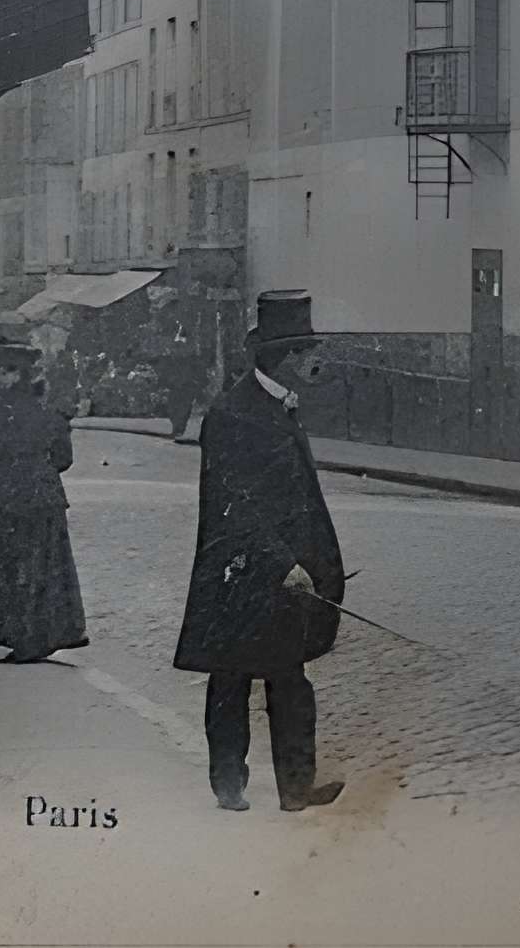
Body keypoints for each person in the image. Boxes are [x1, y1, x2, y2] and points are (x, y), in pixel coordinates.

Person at [175, 290, 347, 813]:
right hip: (243, 571)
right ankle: (229, 785)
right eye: (306, 352)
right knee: (231, 678)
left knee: (290, 679)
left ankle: (297, 789)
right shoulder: (233, 414)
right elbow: (234, 504)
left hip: (287, 575)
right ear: (286, 357)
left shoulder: (279, 407)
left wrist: (313, 564)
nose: (314, 361)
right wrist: (281, 563)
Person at [0, 338, 87, 664]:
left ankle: (18, 635)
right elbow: (63, 460)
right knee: (43, 567)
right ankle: (41, 635)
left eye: (1, 372)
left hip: (7, 496)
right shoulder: (49, 414)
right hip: (43, 494)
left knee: (10, 565)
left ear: (15, 375)